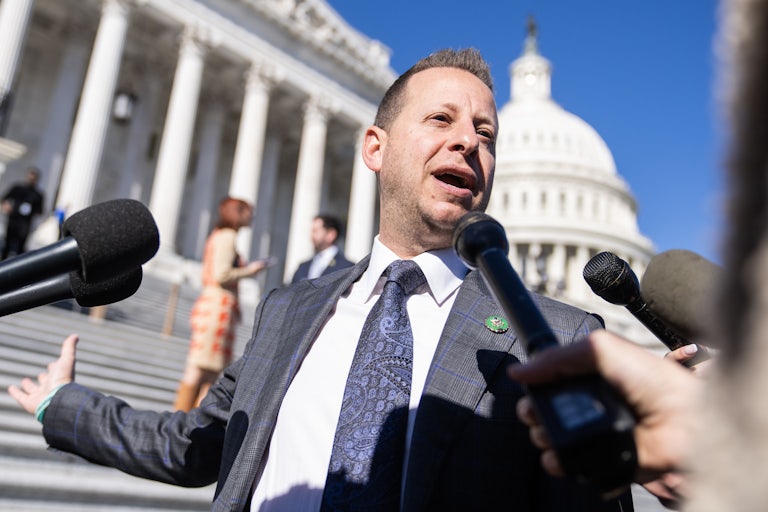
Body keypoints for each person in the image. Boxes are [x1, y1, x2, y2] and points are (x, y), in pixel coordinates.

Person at [8, 48, 632, 511]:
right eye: (441, 119)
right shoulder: (290, 309)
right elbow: (199, 444)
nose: (468, 141)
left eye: (486, 133)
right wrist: (62, 406)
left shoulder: (557, 336)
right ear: (375, 148)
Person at [173, 197, 269, 412]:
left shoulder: (221, 235)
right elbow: (222, 274)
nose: (251, 217)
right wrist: (250, 270)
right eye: (247, 212)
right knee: (199, 368)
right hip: (217, 307)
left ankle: (192, 424)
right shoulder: (227, 236)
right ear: (237, 213)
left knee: (210, 372)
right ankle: (180, 418)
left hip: (217, 306)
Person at [290, 214, 354, 283]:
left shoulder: (347, 267)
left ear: (331, 235)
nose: (312, 236)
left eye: (315, 231)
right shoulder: (303, 267)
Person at [1, 166, 44, 259]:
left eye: (34, 177)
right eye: (30, 175)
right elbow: (4, 199)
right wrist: (6, 206)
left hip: (25, 224)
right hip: (13, 221)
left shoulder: (38, 195)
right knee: (7, 244)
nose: (31, 178)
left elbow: (40, 211)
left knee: (20, 247)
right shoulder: (17, 188)